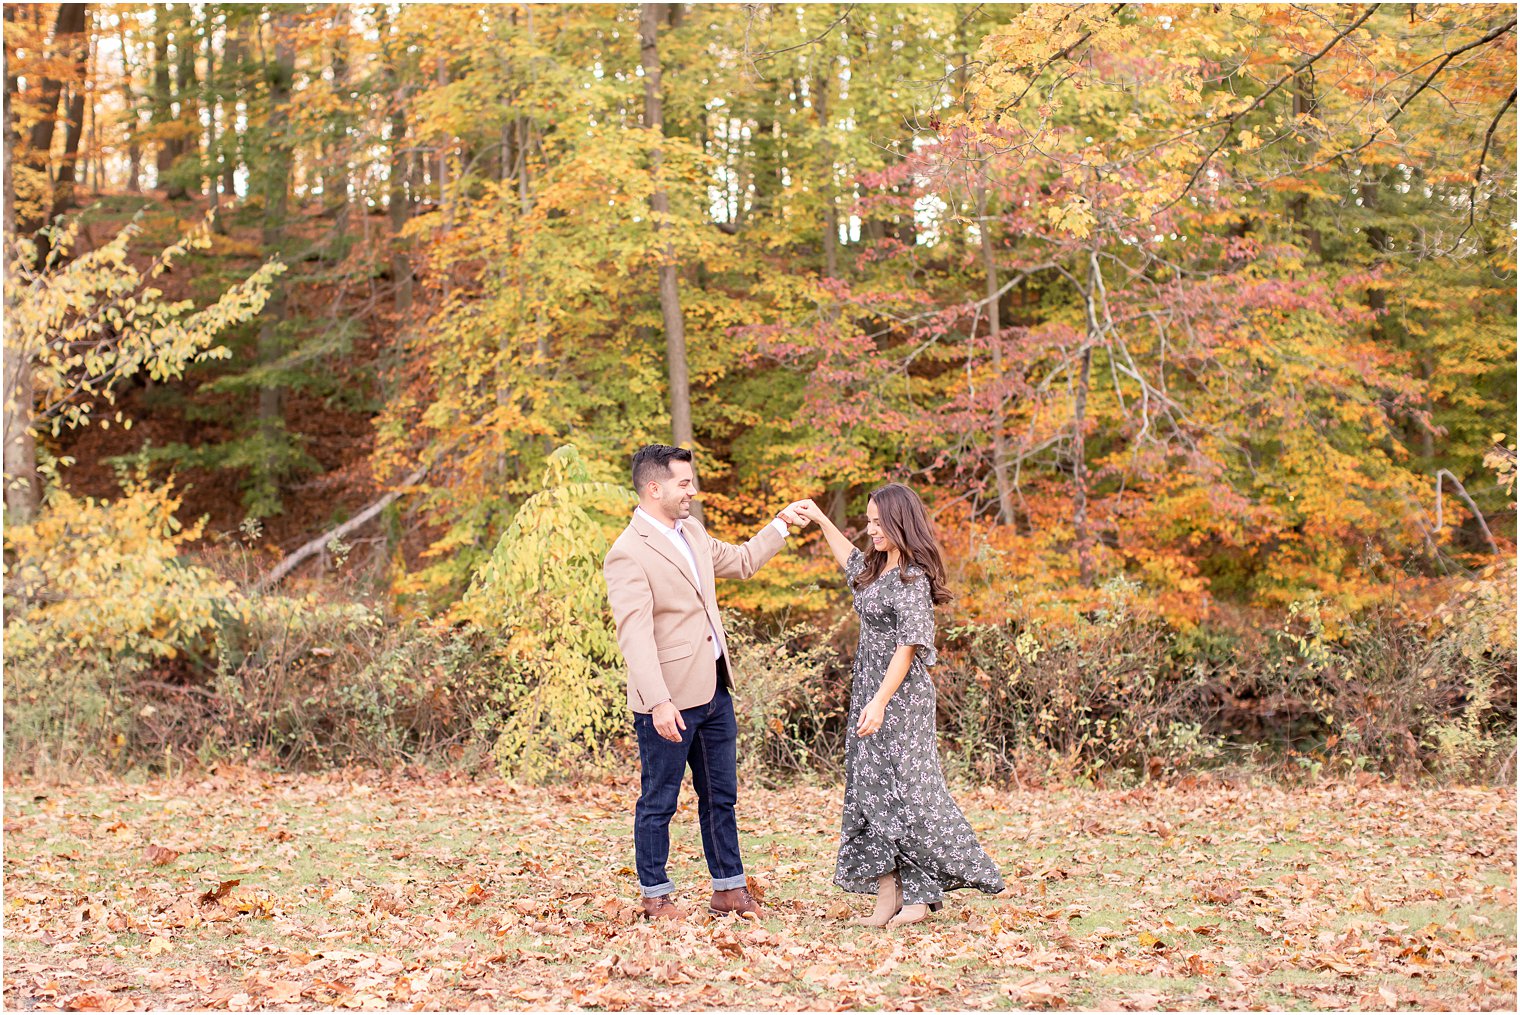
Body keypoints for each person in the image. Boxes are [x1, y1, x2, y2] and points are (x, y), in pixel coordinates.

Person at [603, 444, 810, 921]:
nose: (692, 491)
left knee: (721, 796)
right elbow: (634, 638)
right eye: (683, 483)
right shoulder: (627, 553)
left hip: (715, 688)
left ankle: (729, 890)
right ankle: (655, 895)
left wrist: (780, 523)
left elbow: (740, 562)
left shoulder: (692, 531)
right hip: (668, 699)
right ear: (654, 488)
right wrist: (658, 702)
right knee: (659, 800)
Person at [796, 485, 1004, 927]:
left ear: (899, 523)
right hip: (868, 693)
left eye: (878, 523)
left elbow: (908, 646)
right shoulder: (874, 569)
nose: (871, 530)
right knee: (870, 789)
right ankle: (887, 896)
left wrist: (880, 702)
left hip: (899, 698)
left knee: (910, 791)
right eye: (868, 522)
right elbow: (849, 559)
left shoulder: (911, 577)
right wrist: (819, 519)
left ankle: (921, 896)